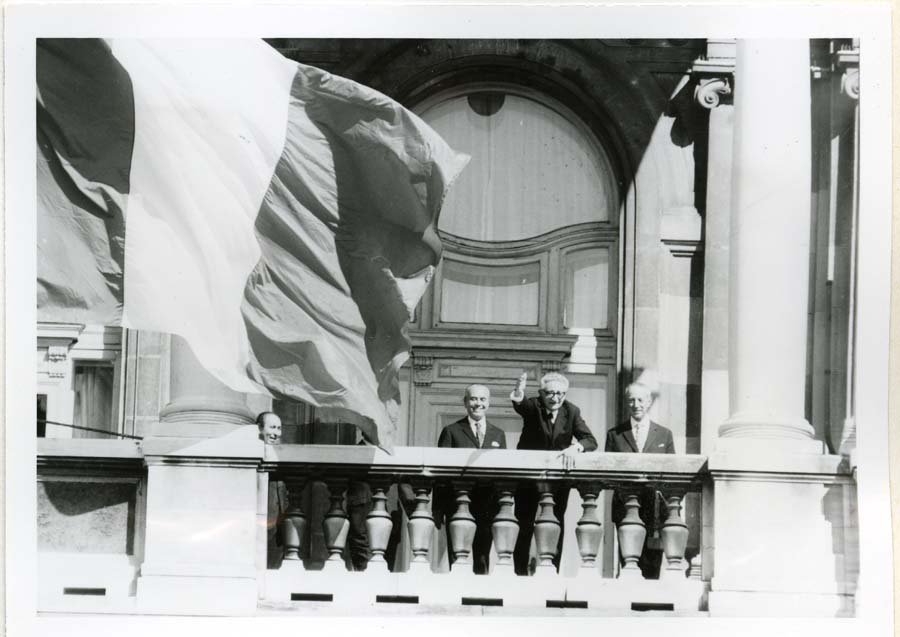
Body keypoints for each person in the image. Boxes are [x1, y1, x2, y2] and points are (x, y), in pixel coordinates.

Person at [511, 372, 597, 575]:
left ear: (565, 394)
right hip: (529, 479)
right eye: (550, 393)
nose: (555, 398)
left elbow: (590, 440)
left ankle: (552, 571)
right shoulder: (534, 406)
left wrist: (575, 448)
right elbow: (522, 405)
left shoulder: (571, 411)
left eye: (560, 393)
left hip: (557, 482)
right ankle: (519, 572)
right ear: (542, 393)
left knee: (556, 522)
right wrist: (519, 392)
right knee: (524, 523)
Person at [605, 381, 676, 578]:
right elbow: (608, 473)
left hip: (655, 508)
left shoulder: (664, 434)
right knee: (629, 563)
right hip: (625, 506)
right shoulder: (615, 435)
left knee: (652, 565)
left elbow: (673, 473)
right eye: (631, 400)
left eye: (640, 400)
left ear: (649, 401)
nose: (636, 405)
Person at [436, 384, 507, 574]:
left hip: (487, 504)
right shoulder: (451, 431)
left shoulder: (498, 434)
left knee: (482, 555)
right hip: (457, 502)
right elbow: (441, 473)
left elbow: (502, 473)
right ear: (465, 402)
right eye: (473, 399)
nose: (478, 403)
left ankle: (481, 588)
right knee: (457, 554)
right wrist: (438, 508)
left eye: (482, 399)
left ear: (488, 403)